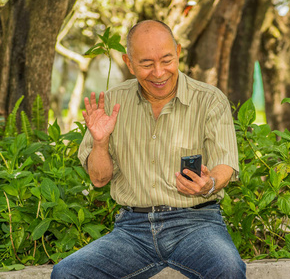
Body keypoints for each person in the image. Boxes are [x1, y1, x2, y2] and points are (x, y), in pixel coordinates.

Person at [51, 20, 246, 279]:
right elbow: (99, 179)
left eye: (166, 60)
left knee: (228, 269)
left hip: (196, 224)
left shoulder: (209, 99)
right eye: (146, 64)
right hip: (133, 230)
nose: (158, 72)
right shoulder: (112, 101)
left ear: (178, 52)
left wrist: (208, 184)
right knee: (67, 273)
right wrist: (100, 142)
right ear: (129, 63)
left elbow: (225, 164)